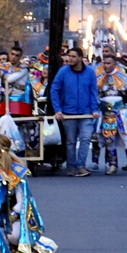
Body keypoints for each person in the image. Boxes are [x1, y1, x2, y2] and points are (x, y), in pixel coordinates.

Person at [50, 47, 99, 177]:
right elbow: (54, 89)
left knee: (85, 138)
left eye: (73, 56)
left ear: (80, 58)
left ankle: (81, 165)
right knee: (70, 141)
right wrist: (58, 110)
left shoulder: (90, 72)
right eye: (69, 56)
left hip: (86, 112)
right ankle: (71, 167)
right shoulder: (63, 72)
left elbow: (94, 91)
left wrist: (95, 109)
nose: (70, 59)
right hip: (68, 112)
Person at [93, 52, 127, 174]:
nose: (106, 65)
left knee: (126, 137)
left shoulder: (123, 78)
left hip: (120, 111)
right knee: (109, 139)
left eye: (108, 63)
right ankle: (112, 165)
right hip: (106, 113)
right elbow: (94, 95)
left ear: (115, 64)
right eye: (104, 63)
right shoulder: (99, 79)